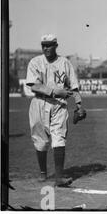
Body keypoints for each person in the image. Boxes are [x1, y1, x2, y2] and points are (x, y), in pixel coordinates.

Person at [26, 34, 83, 187]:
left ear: (56, 45)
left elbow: (74, 86)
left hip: (59, 105)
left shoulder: (65, 63)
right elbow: (33, 86)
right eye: (43, 45)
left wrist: (79, 104)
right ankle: (43, 173)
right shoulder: (35, 62)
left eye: (49, 44)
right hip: (39, 102)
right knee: (40, 141)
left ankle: (59, 178)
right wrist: (54, 91)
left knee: (59, 138)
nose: (46, 48)